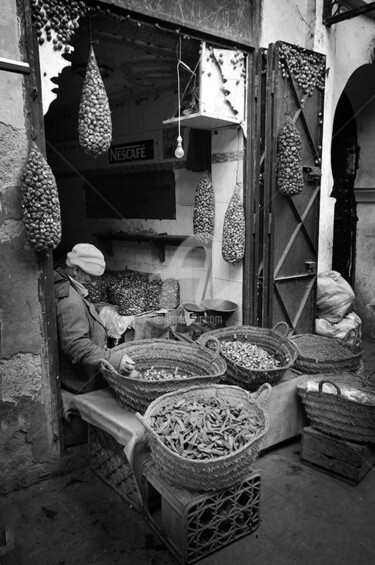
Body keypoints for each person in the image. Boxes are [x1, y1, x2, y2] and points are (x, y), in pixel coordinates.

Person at [54, 243, 135, 394]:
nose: (94, 283)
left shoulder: (70, 287)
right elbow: (76, 345)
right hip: (82, 384)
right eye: (91, 277)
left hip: (84, 377)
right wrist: (114, 359)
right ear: (76, 270)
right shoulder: (69, 300)